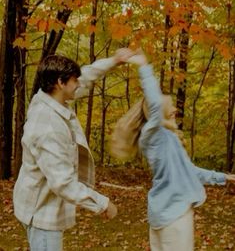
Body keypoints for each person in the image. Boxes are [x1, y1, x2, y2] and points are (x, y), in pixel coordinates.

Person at [113, 49, 235, 251]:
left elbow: (191, 172)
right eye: (168, 104)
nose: (175, 109)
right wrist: (144, 66)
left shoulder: (168, 140)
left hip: (167, 215)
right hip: (174, 217)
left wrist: (224, 178)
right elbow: (154, 105)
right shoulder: (154, 136)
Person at [13, 48, 133, 251]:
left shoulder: (48, 96)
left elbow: (85, 76)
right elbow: (63, 182)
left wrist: (114, 61)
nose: (79, 84)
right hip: (42, 215)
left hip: (40, 205)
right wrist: (102, 203)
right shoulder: (48, 126)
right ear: (60, 83)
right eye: (74, 81)